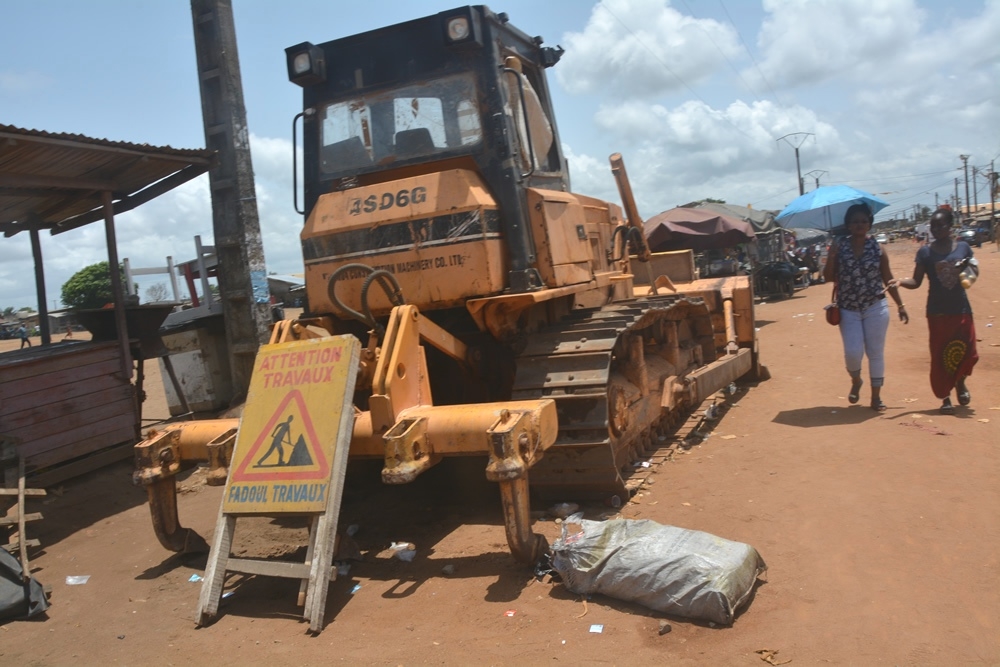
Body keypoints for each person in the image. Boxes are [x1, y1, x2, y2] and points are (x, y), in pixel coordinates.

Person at [890, 208, 979, 414]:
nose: (937, 229)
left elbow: (971, 277)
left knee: (968, 351)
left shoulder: (964, 248)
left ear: (950, 226)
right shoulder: (925, 253)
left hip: (961, 309)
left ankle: (960, 382)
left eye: (941, 225)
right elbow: (917, 281)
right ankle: (945, 397)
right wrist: (900, 282)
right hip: (937, 311)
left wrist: (964, 269)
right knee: (940, 355)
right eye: (933, 226)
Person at [823, 203, 908, 412]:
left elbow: (887, 277)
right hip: (848, 309)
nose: (860, 224)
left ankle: (876, 396)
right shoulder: (839, 247)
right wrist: (832, 257)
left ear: (869, 223)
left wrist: (900, 304)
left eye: (863, 221)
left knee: (875, 352)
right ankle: (856, 380)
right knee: (853, 352)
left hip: (875, 306)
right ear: (848, 225)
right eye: (855, 221)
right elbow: (827, 277)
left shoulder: (878, 248)